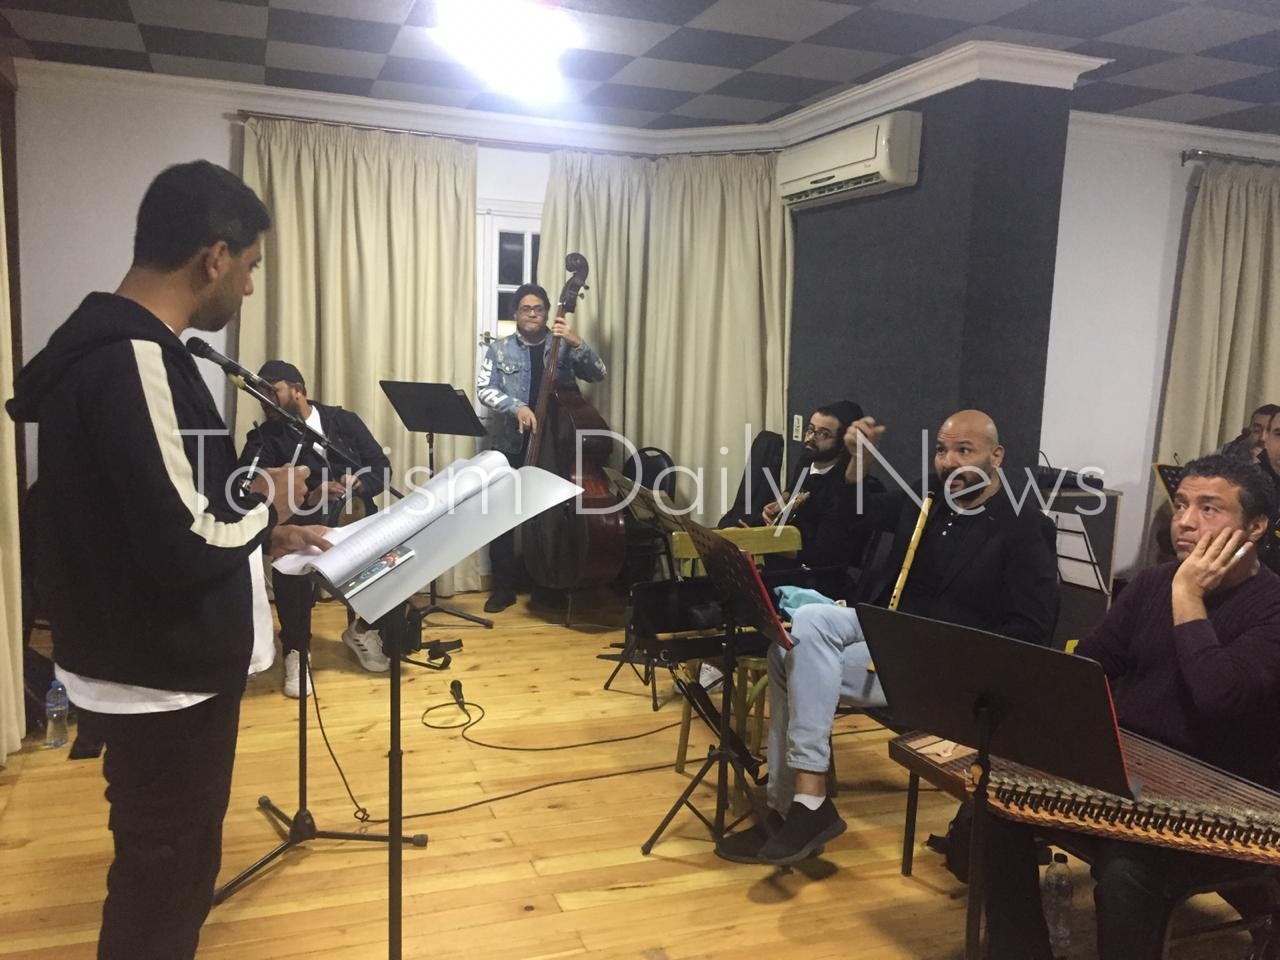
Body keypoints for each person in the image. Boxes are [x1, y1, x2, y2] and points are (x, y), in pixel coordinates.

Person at [5, 161, 328, 959]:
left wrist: (261, 533)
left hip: (146, 660)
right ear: (213, 257)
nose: (247, 287)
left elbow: (150, 508)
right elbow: (182, 538)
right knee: (166, 881)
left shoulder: (128, 351)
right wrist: (269, 508)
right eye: (250, 267)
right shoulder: (133, 358)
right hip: (162, 672)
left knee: (168, 869)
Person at [720, 410, 1059, 865]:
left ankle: (793, 812)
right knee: (805, 628)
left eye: (965, 450)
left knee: (785, 660)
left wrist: (964, 661)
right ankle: (805, 801)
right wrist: (858, 462)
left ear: (995, 456)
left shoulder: (1023, 528)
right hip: (890, 631)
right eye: (942, 450)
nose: (949, 462)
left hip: (946, 662)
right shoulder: (928, 495)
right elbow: (853, 519)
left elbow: (1032, 629)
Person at [983, 453, 1280, 960]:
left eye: (1209, 509)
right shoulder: (1151, 584)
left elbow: (1218, 694)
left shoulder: (1268, 606)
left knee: (1127, 871)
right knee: (999, 805)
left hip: (1221, 803)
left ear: (1255, 527)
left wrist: (1187, 595)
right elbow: (1089, 668)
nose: (1185, 521)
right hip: (1133, 776)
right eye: (1182, 504)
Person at [238, 360, 394, 696]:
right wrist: (310, 494)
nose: (265, 399)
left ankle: (363, 629)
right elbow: (246, 486)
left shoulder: (343, 422)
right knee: (289, 562)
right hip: (304, 524)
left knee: (391, 556)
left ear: (298, 390)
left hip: (354, 517)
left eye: (272, 391)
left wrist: (359, 483)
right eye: (259, 392)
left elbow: (380, 466)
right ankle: (296, 649)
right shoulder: (265, 437)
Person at [475, 282, 607, 612]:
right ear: (515, 314)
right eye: (526, 309)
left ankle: (547, 585)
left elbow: (598, 373)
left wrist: (577, 343)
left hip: (556, 444)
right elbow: (484, 389)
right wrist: (516, 406)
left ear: (548, 312)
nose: (532, 314)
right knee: (501, 515)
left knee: (551, 515)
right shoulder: (499, 350)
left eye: (538, 309)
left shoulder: (563, 344)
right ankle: (503, 587)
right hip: (512, 442)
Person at [751, 400, 884, 571]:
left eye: (823, 434)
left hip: (812, 572)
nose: (810, 438)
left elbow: (823, 555)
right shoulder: (808, 459)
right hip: (785, 551)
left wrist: (765, 543)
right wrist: (782, 501)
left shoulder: (844, 490)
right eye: (810, 429)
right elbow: (795, 487)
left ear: (843, 444)